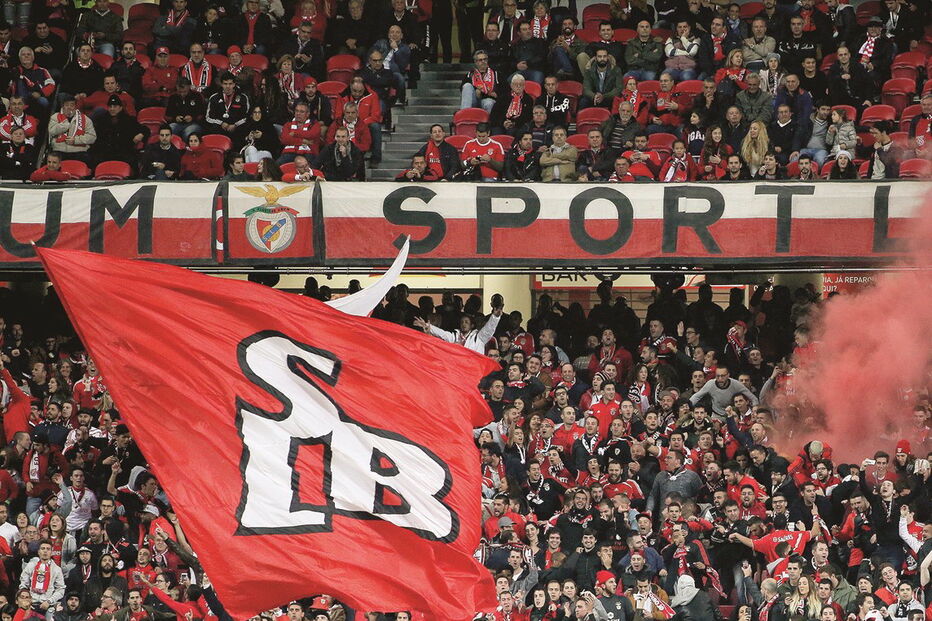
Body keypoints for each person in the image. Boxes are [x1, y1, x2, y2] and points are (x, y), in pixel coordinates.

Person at [48, 96, 96, 163]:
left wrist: (75, 140)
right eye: (67, 105)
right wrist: (65, 125)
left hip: (79, 151)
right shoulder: (55, 117)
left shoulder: (85, 119)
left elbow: (92, 137)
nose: (69, 107)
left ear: (76, 107)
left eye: (72, 105)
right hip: (59, 150)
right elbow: (51, 131)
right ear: (63, 106)